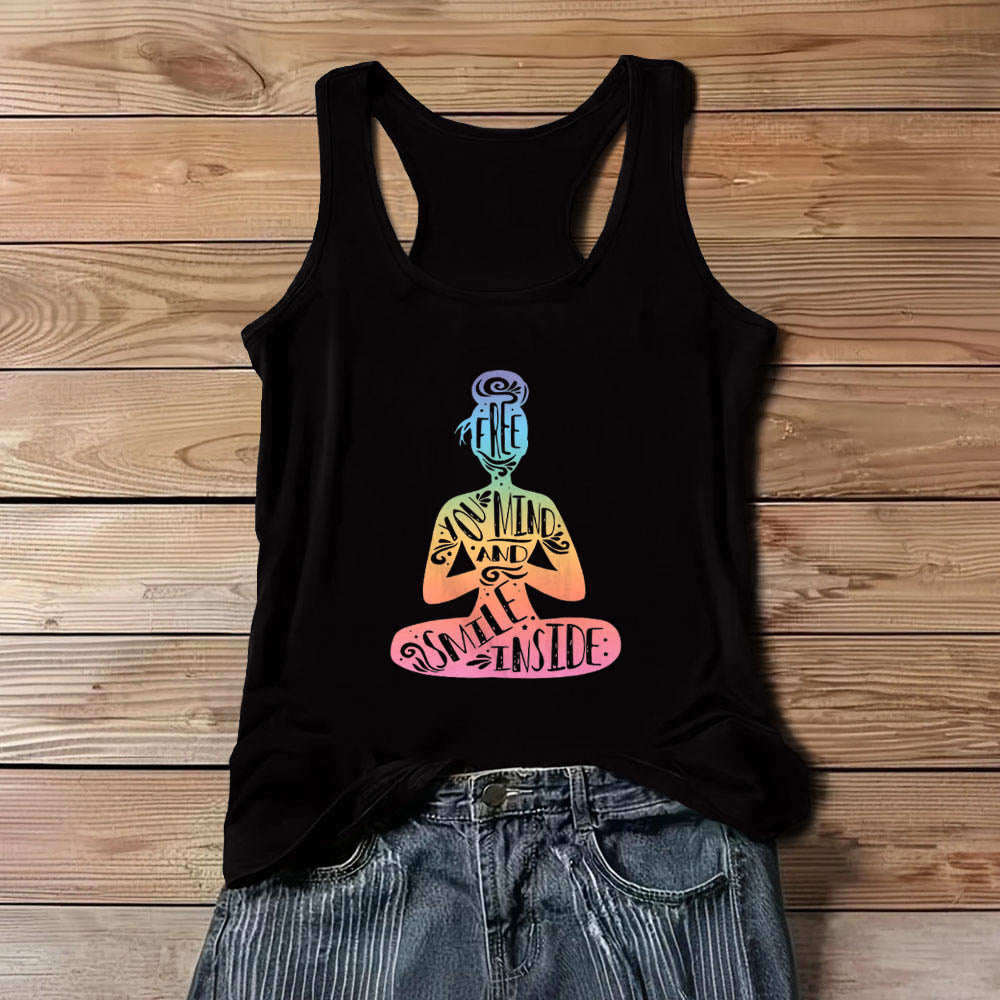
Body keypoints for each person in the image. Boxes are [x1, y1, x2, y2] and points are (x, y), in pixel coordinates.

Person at [187, 55, 808, 1000]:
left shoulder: (537, 508)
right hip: (350, 814)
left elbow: (567, 587)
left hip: (650, 807)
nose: (503, 440)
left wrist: (521, 566)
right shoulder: (460, 507)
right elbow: (438, 590)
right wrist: (487, 564)